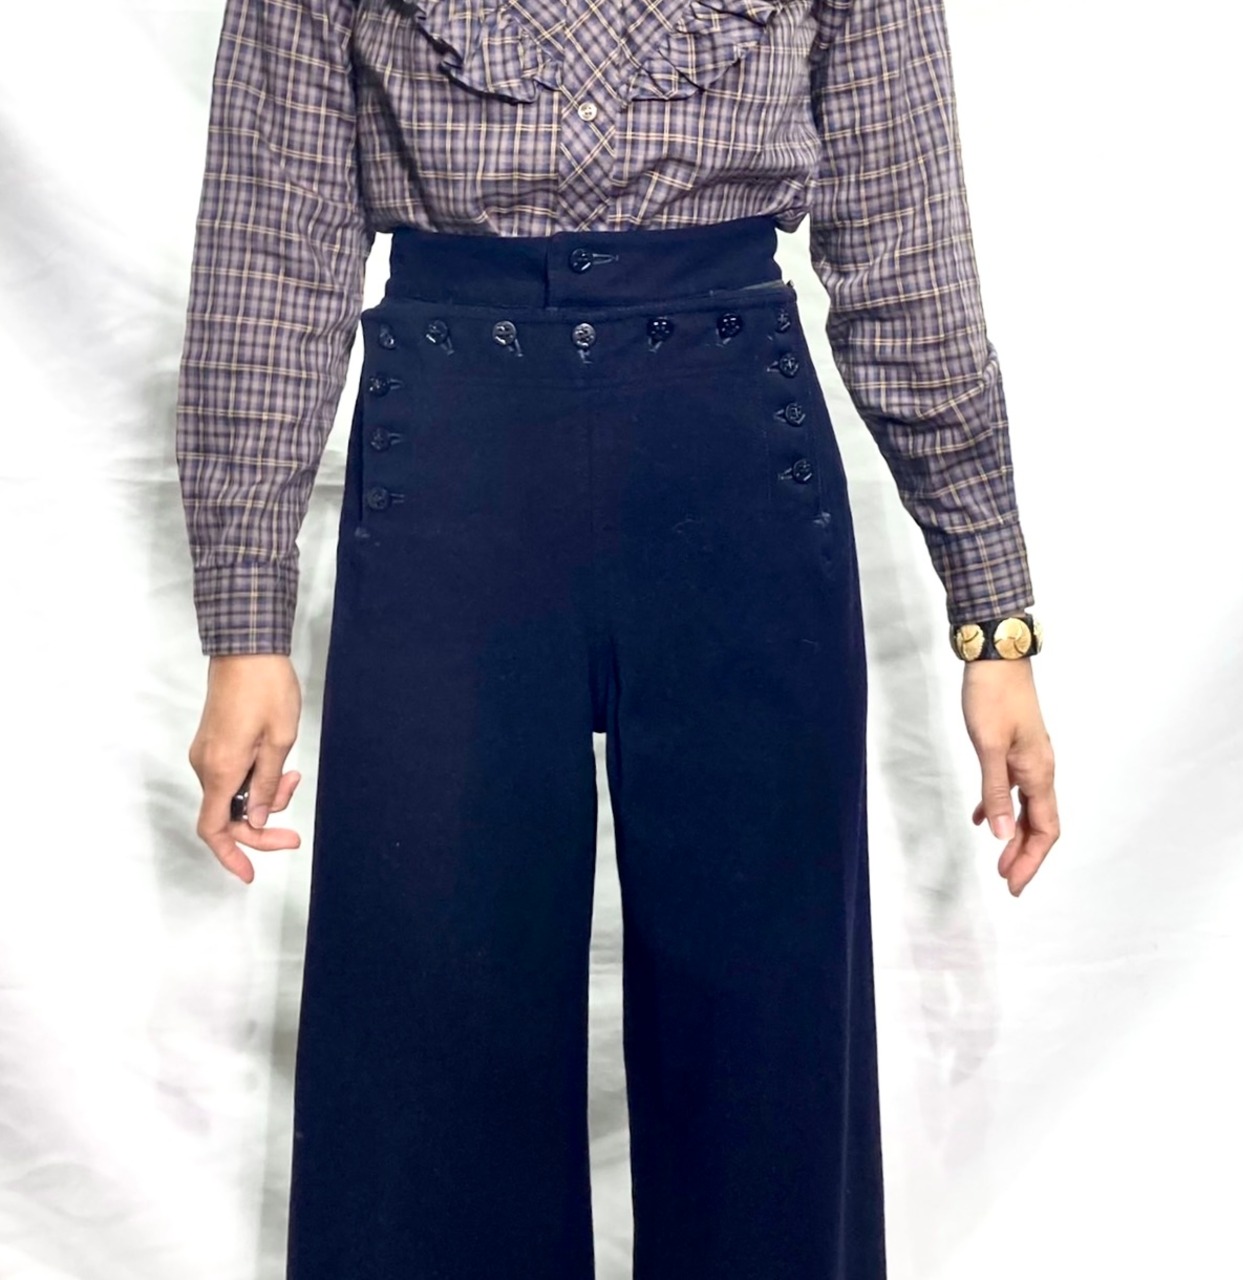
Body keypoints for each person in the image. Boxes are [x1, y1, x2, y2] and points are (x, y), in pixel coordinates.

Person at [176, 0, 1059, 1276]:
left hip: (732, 463)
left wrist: (993, 619)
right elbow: (272, 249)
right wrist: (244, 618)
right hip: (450, 467)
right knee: (425, 1032)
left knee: (766, 1042)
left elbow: (904, 246)